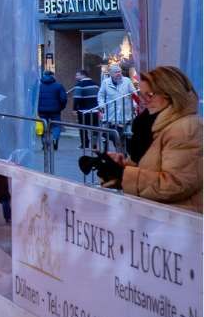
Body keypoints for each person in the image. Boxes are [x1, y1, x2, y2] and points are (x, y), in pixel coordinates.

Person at [89, 65, 200, 210]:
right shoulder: (150, 124)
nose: (145, 100)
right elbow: (149, 168)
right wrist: (119, 166)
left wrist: (124, 175)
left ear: (171, 93)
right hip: (155, 216)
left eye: (151, 94)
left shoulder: (186, 129)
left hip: (179, 220)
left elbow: (175, 185)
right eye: (141, 95)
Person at [99, 61, 137, 146]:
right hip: (112, 114)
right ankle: (119, 153)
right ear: (111, 74)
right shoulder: (105, 82)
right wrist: (101, 104)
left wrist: (135, 104)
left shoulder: (127, 81)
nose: (119, 74)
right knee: (116, 137)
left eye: (119, 72)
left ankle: (125, 153)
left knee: (128, 137)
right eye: (116, 72)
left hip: (126, 114)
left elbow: (134, 94)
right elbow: (101, 95)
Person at [34, 68, 69, 153]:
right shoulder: (58, 86)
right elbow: (63, 99)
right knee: (56, 126)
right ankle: (54, 138)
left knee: (44, 126)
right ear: (52, 76)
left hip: (41, 110)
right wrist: (61, 107)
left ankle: (44, 144)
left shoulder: (38, 86)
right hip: (55, 110)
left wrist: (36, 108)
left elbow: (33, 98)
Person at [69, 67, 102, 148]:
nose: (76, 77)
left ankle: (85, 144)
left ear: (83, 75)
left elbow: (77, 98)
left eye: (77, 75)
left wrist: (74, 109)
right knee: (95, 128)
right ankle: (94, 144)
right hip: (95, 110)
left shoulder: (79, 85)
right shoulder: (96, 84)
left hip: (83, 111)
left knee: (83, 128)